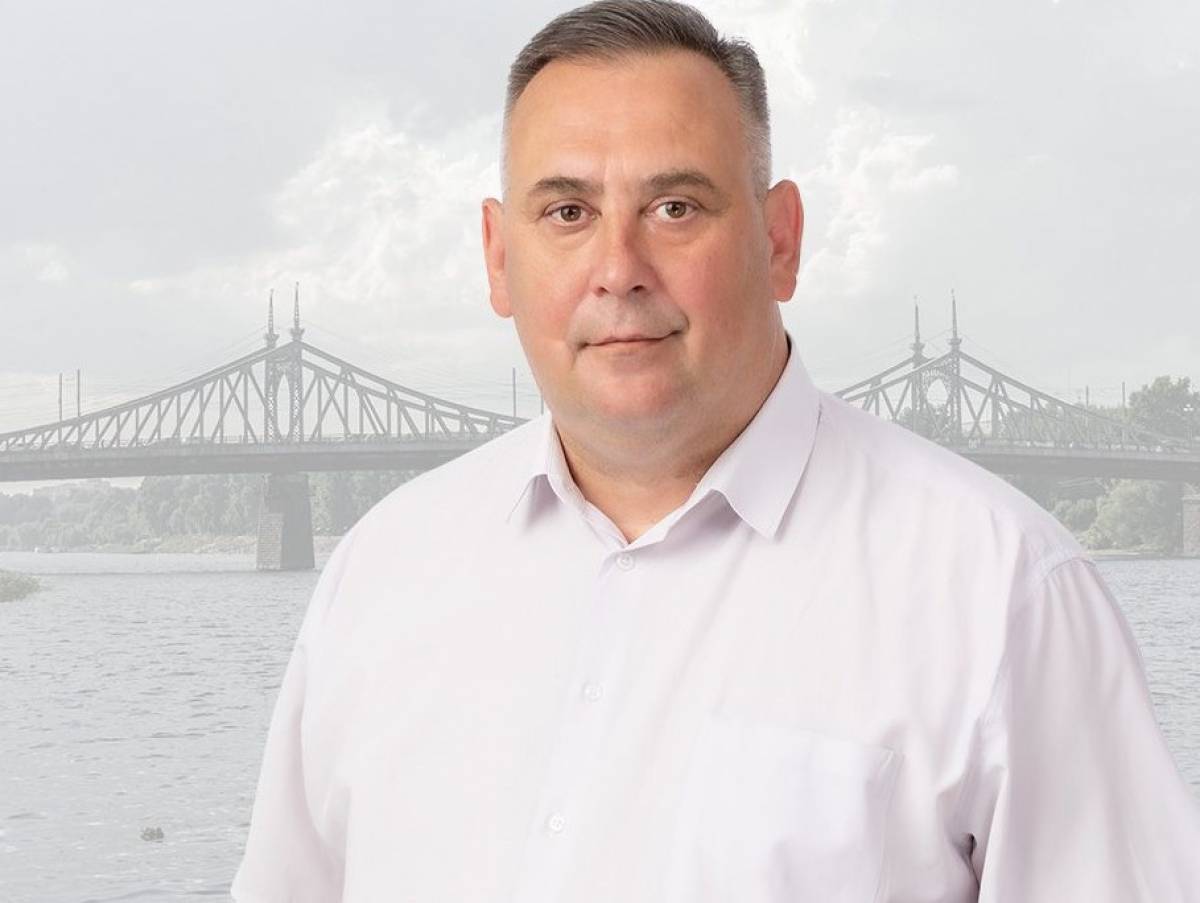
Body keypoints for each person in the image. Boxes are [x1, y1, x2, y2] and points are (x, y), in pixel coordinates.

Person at [231, 1, 1200, 900]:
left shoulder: (1001, 591)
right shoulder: (381, 572)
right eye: (567, 212)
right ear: (498, 257)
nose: (618, 270)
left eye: (676, 208)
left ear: (780, 240)